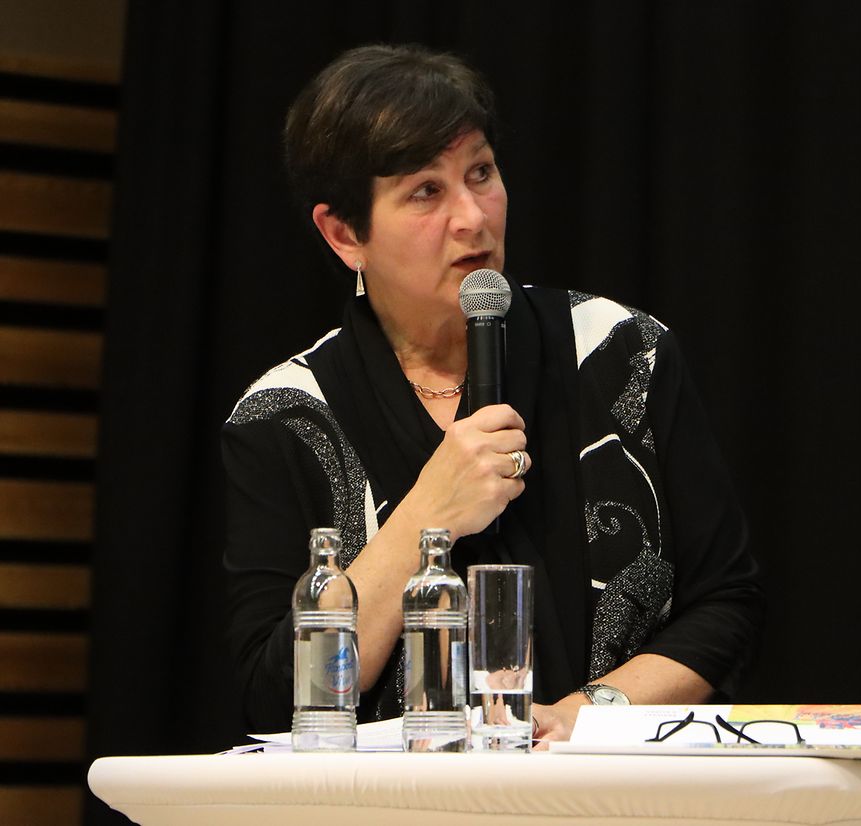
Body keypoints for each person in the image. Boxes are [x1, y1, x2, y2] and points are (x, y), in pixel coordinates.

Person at [222, 43, 762, 743]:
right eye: (426, 191)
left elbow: (725, 603)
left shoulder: (623, 351)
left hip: (613, 785)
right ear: (344, 233)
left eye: (480, 173)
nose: (473, 217)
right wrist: (427, 514)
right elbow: (277, 698)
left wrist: (584, 715)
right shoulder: (286, 414)